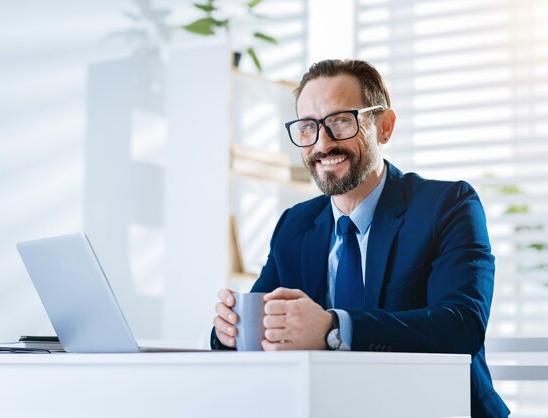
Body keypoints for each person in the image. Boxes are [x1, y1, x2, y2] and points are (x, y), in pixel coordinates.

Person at [211, 59, 509, 417]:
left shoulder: (448, 205)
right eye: (308, 126)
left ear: (384, 127)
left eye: (340, 121)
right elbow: (261, 317)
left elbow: (462, 325)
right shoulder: (294, 225)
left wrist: (334, 328)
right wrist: (230, 329)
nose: (323, 143)